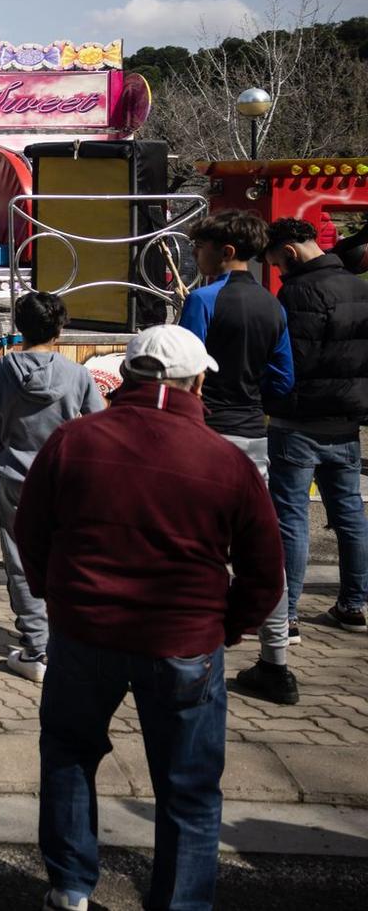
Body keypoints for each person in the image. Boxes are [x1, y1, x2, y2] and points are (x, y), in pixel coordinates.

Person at [14, 325, 284, 911]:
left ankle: (69, 888)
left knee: (68, 752)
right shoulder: (225, 460)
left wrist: (57, 598)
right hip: (184, 640)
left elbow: (30, 532)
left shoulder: (73, 441)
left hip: (85, 630)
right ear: (197, 381)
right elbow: (266, 572)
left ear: (129, 375)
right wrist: (223, 626)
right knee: (187, 787)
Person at [0, 291, 106, 684]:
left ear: (20, 327)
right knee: (69, 560)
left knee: (22, 563)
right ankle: (68, 641)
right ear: (60, 327)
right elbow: (100, 427)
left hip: (16, 479)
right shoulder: (78, 375)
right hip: (66, 481)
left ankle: (37, 648)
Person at [177, 211, 298, 703]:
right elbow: (284, 380)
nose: (195, 257)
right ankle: (276, 662)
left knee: (195, 546)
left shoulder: (202, 300)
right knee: (261, 549)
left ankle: (194, 652)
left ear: (224, 251)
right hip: (254, 438)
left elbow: (186, 370)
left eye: (201, 248)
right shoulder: (274, 307)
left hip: (206, 435)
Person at [263, 216, 368, 636]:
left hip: (299, 419)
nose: (275, 270)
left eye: (274, 262)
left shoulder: (299, 292)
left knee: (291, 517)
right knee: (350, 513)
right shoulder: (358, 288)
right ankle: (354, 604)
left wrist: (270, 396)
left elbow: (294, 360)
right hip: (346, 418)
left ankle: (285, 615)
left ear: (288, 251)